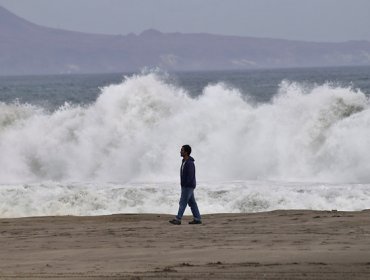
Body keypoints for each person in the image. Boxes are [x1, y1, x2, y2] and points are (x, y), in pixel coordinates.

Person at [169, 145, 202, 225]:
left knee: (183, 202)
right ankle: (197, 218)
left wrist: (185, 184)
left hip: (188, 186)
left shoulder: (190, 163)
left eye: (182, 150)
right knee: (192, 203)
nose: (180, 152)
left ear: (186, 152)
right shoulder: (184, 161)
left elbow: (190, 176)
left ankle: (178, 219)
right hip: (187, 185)